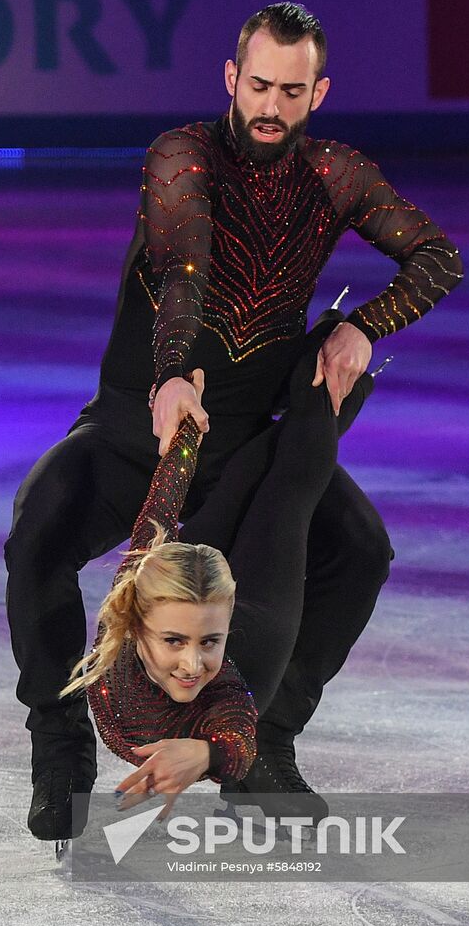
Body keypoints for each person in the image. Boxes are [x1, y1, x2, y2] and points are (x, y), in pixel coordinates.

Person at [5, 1, 463, 840]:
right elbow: (183, 270)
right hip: (137, 424)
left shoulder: (334, 174)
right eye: (258, 85)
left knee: (359, 551)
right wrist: (171, 373)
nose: (270, 107)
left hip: (248, 440)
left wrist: (365, 326)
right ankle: (60, 747)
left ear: (318, 91)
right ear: (230, 77)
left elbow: (438, 257)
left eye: (291, 91)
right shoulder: (181, 156)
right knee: (39, 527)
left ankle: (264, 744)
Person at [37, 317, 373, 838]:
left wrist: (189, 426)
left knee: (272, 482)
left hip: (251, 629)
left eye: (208, 643)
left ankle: (328, 366)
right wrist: (211, 752)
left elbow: (165, 494)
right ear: (134, 623)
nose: (194, 666)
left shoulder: (224, 678)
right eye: (174, 641)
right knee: (283, 485)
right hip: (255, 631)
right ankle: (331, 368)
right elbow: (237, 740)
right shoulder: (133, 620)